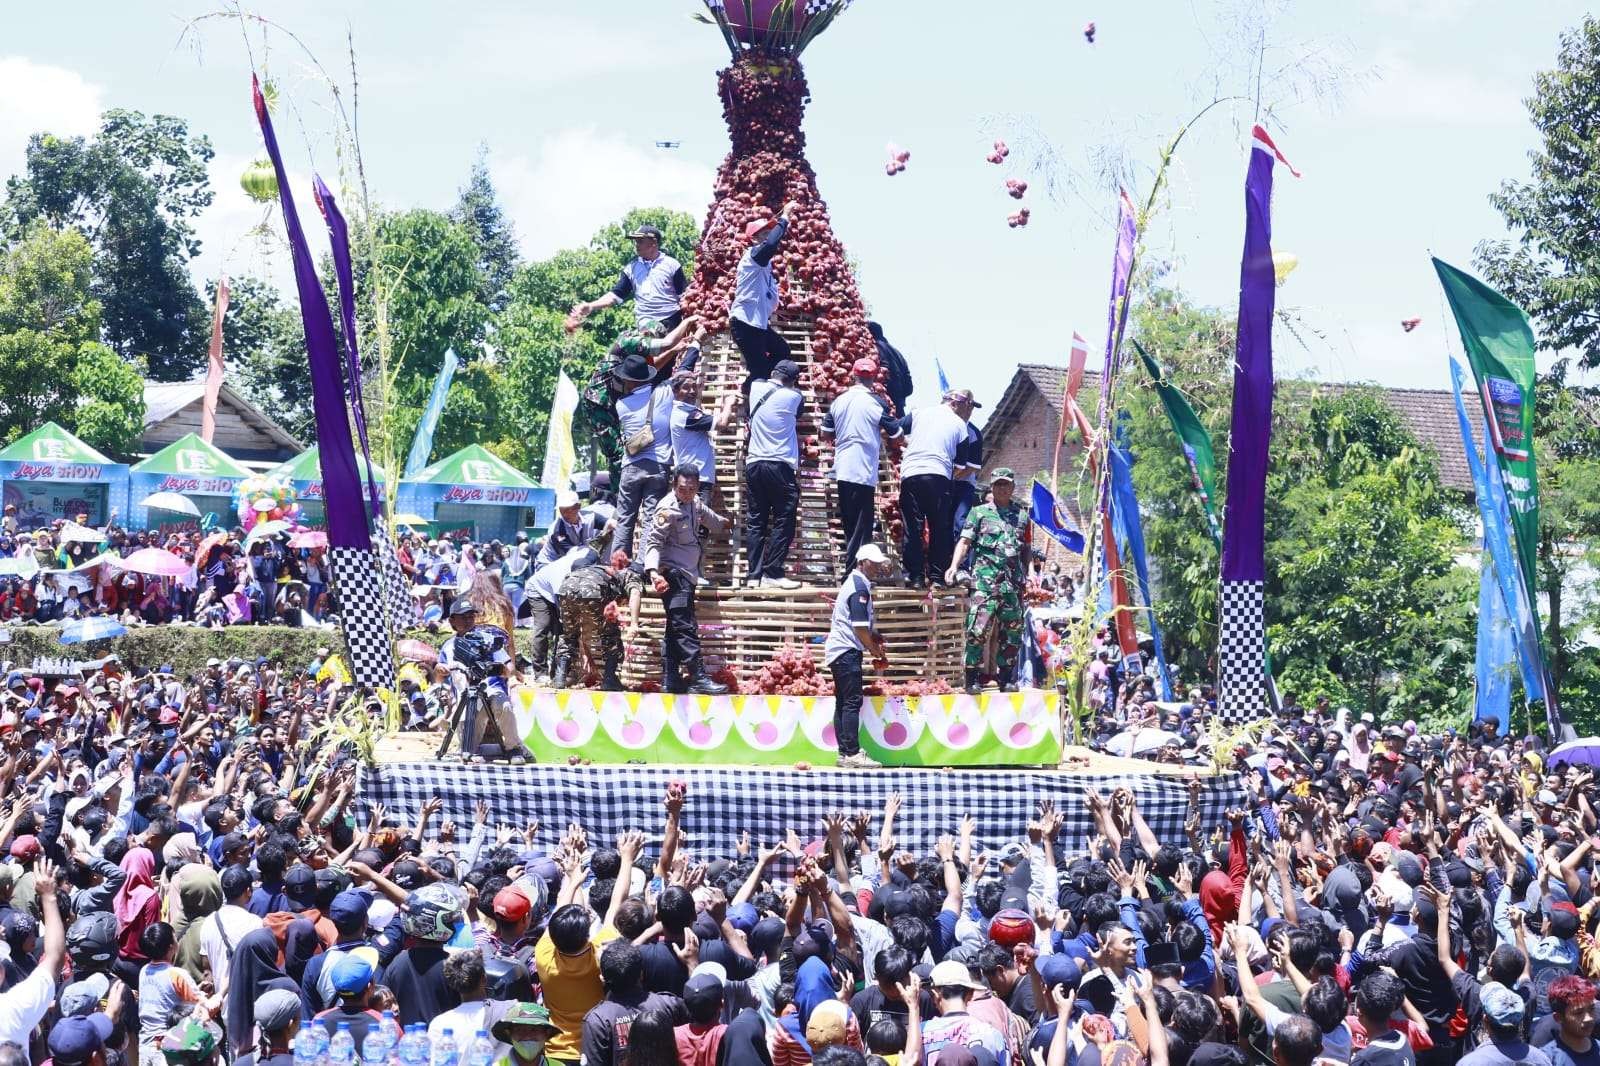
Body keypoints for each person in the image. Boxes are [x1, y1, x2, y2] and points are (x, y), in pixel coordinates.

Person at [642, 466, 730, 696]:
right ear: (674, 485)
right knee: (685, 626)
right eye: (682, 489)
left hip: (688, 575)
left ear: (697, 487)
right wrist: (653, 572)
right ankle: (698, 676)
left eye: (691, 489)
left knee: (673, 628)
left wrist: (729, 523)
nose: (687, 493)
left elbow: (713, 519)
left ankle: (671, 679)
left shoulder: (695, 502)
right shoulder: (666, 508)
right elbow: (653, 543)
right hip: (673, 575)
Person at [946, 469, 1030, 694]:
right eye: (998, 484)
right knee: (977, 630)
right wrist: (954, 566)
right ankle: (971, 678)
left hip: (1011, 585)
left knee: (1012, 632)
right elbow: (964, 542)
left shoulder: (1022, 516)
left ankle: (1007, 678)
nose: (1002, 488)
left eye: (1006, 485)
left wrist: (1027, 577)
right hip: (985, 583)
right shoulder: (979, 513)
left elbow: (1026, 549)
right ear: (992, 488)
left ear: (1013, 488)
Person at [821, 359, 903, 571]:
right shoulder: (876, 402)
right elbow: (897, 435)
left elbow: (825, 433)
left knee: (850, 523)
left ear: (853, 376)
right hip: (863, 468)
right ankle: (853, 573)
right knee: (861, 526)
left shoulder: (839, 401)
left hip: (843, 468)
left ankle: (853, 571)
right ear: (873, 378)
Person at [822, 544, 894, 770]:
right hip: (846, 651)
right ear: (862, 562)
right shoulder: (859, 587)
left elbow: (862, 626)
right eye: (872, 563)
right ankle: (852, 753)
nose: (876, 567)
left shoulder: (855, 583)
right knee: (852, 701)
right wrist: (873, 649)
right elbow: (860, 627)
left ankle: (845, 753)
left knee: (843, 701)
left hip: (839, 651)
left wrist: (873, 636)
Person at [897, 392, 977, 589]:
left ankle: (915, 577)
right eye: (968, 406)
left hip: (911, 474)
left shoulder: (919, 413)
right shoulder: (960, 425)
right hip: (939, 476)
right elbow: (959, 465)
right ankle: (936, 578)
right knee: (939, 528)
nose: (969, 411)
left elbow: (893, 429)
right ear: (956, 404)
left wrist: (908, 445)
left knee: (913, 528)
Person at [744, 359, 805, 590]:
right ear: (792, 381)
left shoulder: (756, 387)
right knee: (784, 518)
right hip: (779, 465)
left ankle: (753, 576)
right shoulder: (794, 396)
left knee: (756, 521)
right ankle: (773, 571)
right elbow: (799, 411)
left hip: (754, 463)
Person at [729, 202, 798, 401]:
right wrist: (784, 217)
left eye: (770, 232)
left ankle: (754, 386)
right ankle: (748, 396)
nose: (769, 236)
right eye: (765, 233)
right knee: (759, 369)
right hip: (744, 324)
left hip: (757, 325)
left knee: (782, 350)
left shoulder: (766, 267)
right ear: (756, 239)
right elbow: (770, 246)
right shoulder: (753, 257)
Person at [612, 353, 675, 564]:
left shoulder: (621, 405)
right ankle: (642, 564)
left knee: (625, 519)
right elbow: (684, 370)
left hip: (631, 466)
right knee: (650, 519)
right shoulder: (664, 394)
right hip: (658, 466)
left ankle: (619, 565)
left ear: (628, 380)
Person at [567, 224, 688, 334]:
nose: (636, 245)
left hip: (671, 319)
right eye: (635, 241)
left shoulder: (672, 265)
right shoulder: (631, 268)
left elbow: (684, 296)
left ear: (653, 243)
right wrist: (591, 306)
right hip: (646, 323)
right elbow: (615, 295)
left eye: (640, 241)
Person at [554, 552, 631, 692]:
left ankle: (560, 678)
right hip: (593, 590)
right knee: (610, 635)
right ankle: (609, 679)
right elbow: (619, 597)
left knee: (569, 635)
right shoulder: (606, 571)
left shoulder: (575, 573)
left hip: (565, 590)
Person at [668, 366, 738, 506]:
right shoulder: (686, 416)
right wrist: (728, 404)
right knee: (696, 523)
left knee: (693, 521)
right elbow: (722, 423)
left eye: (694, 387)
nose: (692, 391)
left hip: (694, 476)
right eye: (686, 388)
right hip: (694, 478)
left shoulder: (684, 411)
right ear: (675, 391)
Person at [946, 390, 983, 542]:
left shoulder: (974, 433)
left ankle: (961, 561)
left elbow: (972, 467)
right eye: (967, 406)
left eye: (971, 407)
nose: (969, 410)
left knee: (960, 522)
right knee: (942, 522)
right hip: (944, 482)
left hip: (963, 484)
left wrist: (950, 476)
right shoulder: (944, 426)